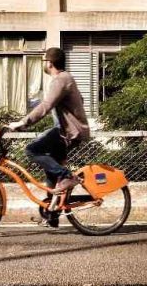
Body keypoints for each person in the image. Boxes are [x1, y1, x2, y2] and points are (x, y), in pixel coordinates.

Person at [7, 47, 90, 194]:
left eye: (44, 61)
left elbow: (46, 105)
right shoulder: (67, 78)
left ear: (50, 63)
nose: (44, 64)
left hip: (69, 133)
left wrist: (23, 122)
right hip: (68, 130)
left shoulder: (61, 80)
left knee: (31, 150)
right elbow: (79, 100)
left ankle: (67, 176)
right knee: (51, 171)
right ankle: (50, 214)